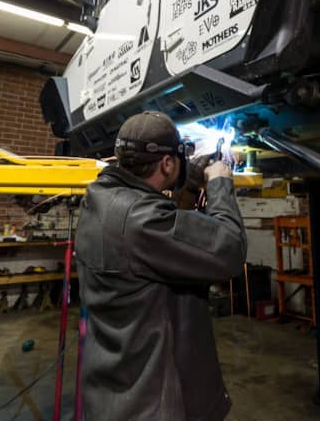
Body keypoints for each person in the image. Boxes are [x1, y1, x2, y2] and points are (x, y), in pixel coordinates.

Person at [75, 110, 246, 421]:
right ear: (167, 164)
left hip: (111, 390)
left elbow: (169, 231)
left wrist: (192, 180)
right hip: (154, 404)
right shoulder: (143, 223)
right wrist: (220, 184)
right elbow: (230, 250)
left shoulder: (98, 200)